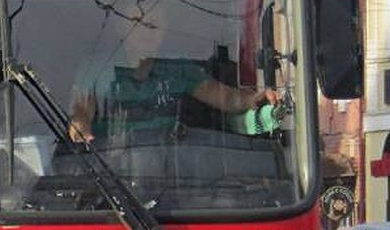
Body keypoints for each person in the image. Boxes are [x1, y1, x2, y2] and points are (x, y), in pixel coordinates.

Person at [68, 12, 278, 143]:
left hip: (170, 171)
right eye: (136, 21)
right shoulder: (96, 67)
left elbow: (227, 98)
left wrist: (253, 98)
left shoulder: (178, 68)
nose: (145, 31)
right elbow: (81, 111)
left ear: (164, 30)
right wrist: (81, 128)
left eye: (152, 25)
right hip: (113, 170)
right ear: (121, 26)